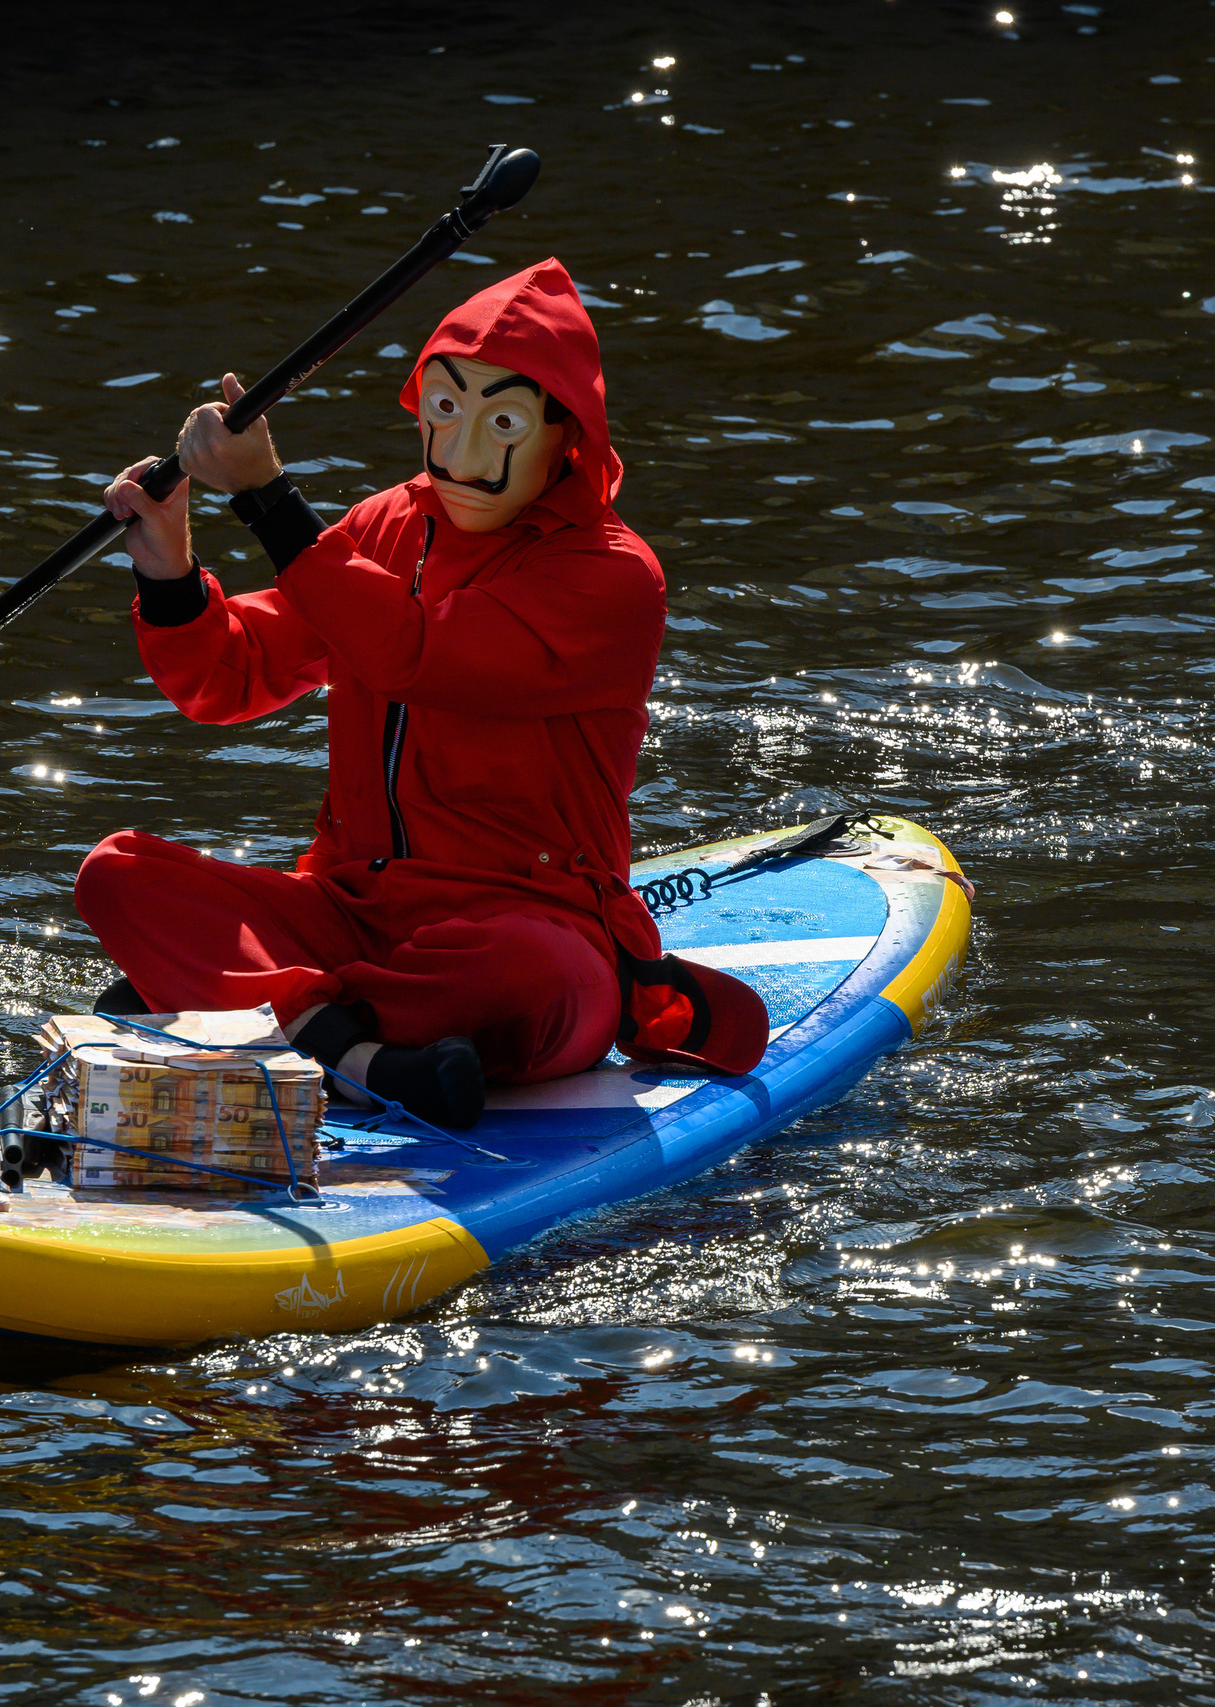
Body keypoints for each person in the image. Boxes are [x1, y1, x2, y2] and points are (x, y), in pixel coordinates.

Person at [76, 258, 763, 1129]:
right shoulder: (382, 526)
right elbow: (229, 677)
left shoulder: (613, 576)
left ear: (568, 436)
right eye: (445, 408)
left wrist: (267, 499)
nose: (464, 454)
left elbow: (414, 652)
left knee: (537, 976)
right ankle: (350, 1049)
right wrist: (170, 571)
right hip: (356, 913)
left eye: (503, 421)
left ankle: (265, 1015)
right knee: (118, 873)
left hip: (526, 925)